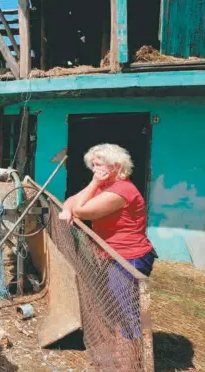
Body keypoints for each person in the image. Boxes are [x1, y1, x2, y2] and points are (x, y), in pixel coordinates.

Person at [59, 143, 157, 341]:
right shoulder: (105, 186)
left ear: (117, 166)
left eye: (100, 164)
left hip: (129, 256)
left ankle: (139, 355)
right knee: (118, 303)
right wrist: (68, 208)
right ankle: (127, 346)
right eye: (93, 165)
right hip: (111, 253)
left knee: (128, 306)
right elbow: (71, 201)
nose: (96, 170)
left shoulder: (121, 191)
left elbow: (81, 211)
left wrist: (92, 186)